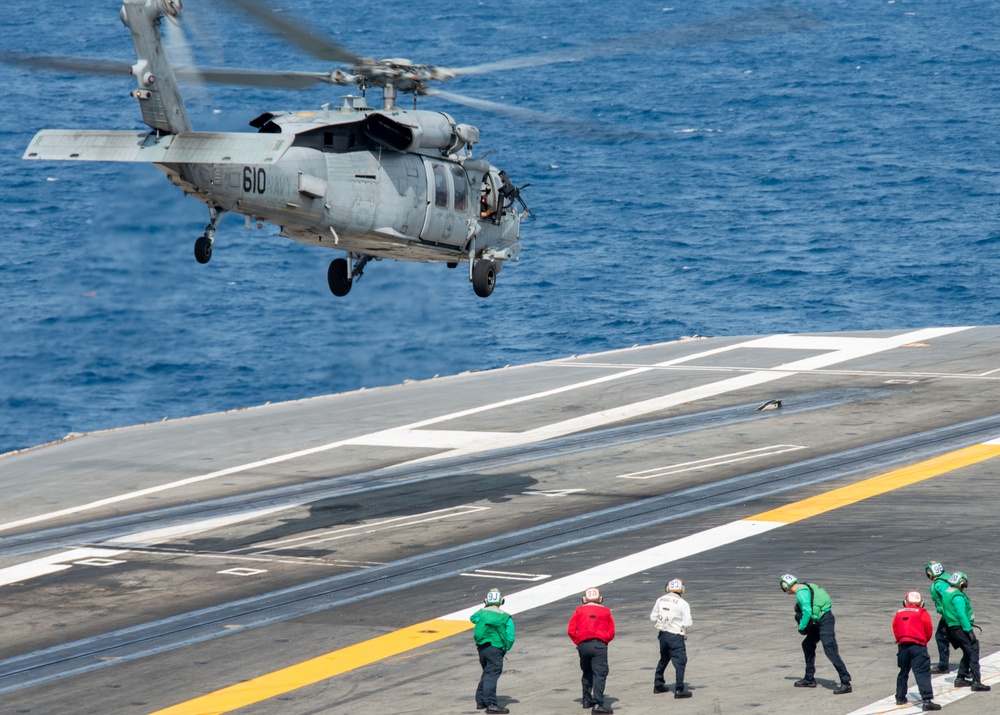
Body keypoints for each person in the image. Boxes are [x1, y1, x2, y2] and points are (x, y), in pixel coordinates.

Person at [779, 574, 852, 694]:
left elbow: (807, 611)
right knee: (807, 644)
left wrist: (801, 627)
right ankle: (809, 678)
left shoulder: (801, 593)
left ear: (786, 586)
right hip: (821, 619)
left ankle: (846, 682)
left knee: (830, 650)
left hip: (824, 620)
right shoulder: (806, 586)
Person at [567, 587, 616, 714]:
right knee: (600, 674)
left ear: (584, 599)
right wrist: (604, 642)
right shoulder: (605, 611)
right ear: (600, 599)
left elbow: (571, 630)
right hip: (599, 645)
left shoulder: (579, 610)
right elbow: (611, 631)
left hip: (583, 645)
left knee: (587, 672)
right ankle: (599, 704)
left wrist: (578, 641)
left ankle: (586, 700)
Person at [940, 572, 991, 692]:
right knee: (973, 650)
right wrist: (969, 631)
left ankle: (960, 678)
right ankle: (976, 681)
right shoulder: (958, 597)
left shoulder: (947, 593)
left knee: (967, 651)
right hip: (960, 627)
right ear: (961, 583)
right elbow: (961, 615)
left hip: (951, 627)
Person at [892, 591, 941, 711]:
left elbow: (895, 629)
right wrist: (924, 642)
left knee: (903, 672)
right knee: (922, 672)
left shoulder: (898, 613)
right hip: (918, 646)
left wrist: (900, 641)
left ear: (905, 602)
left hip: (903, 646)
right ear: (921, 603)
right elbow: (928, 630)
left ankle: (900, 697)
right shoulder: (922, 612)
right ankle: (927, 700)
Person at [470, 588, 516, 714]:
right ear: (502, 601)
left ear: (486, 601)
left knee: (487, 672)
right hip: (496, 648)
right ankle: (491, 704)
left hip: (482, 648)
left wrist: (485, 608)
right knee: (492, 674)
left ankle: (481, 701)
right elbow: (510, 637)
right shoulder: (505, 617)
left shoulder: (481, 612)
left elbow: (473, 618)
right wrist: (505, 649)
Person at [649, 578, 694, 699]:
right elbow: (687, 622)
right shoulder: (683, 603)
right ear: (682, 589)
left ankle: (658, 685)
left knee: (664, 658)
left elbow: (653, 617)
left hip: (663, 634)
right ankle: (679, 689)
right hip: (675, 635)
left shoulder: (660, 600)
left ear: (668, 588)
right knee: (680, 661)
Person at [924, 561, 954, 673]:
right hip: (951, 613)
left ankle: (943, 665)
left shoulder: (938, 585)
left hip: (949, 614)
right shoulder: (948, 578)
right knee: (943, 637)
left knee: (942, 637)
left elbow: (947, 599)